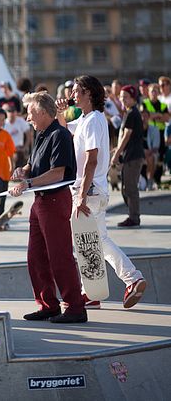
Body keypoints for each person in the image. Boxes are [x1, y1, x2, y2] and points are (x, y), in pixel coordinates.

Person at [61, 75, 147, 310]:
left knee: (92, 240)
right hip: (91, 190)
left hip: (88, 190)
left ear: (89, 93)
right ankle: (90, 291)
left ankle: (132, 278)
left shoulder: (93, 120)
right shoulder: (87, 118)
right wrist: (59, 112)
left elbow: (91, 159)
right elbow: (64, 130)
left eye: (77, 91)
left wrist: (81, 194)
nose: (72, 95)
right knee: (87, 240)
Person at [10, 91, 85, 323]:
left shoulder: (59, 135)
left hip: (53, 200)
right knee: (36, 257)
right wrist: (24, 171)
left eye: (30, 112)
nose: (27, 118)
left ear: (42, 112)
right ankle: (48, 304)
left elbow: (57, 172)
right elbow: (34, 164)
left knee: (59, 256)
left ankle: (75, 307)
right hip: (40, 201)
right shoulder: (42, 134)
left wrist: (28, 182)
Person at [112, 85, 145, 228]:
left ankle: (134, 217)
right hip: (130, 155)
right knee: (127, 187)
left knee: (130, 188)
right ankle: (133, 215)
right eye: (121, 97)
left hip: (133, 156)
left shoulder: (132, 113)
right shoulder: (129, 112)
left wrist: (117, 153)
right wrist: (117, 150)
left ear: (133, 98)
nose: (122, 99)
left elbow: (126, 135)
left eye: (125, 97)